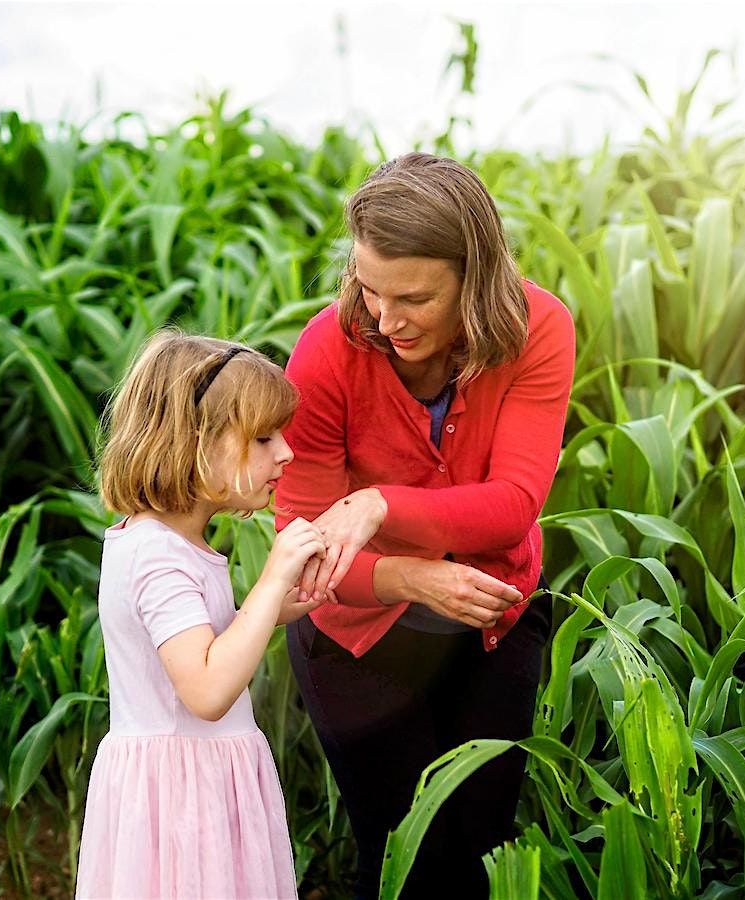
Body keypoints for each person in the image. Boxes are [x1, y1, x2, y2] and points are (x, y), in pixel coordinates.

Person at [276, 152, 575, 898]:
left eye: (413, 298)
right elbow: (304, 550)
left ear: (475, 280)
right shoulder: (326, 351)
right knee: (405, 858)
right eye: (368, 288)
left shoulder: (540, 328)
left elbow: (512, 504)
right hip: (357, 633)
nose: (384, 318)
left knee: (482, 856)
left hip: (488, 613)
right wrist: (409, 575)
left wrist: (380, 504)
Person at [77, 330, 328, 899]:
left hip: (195, 786)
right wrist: (272, 579)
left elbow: (194, 650)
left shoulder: (165, 545)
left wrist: (265, 612)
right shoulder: (158, 555)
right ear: (195, 443)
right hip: (182, 804)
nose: (285, 453)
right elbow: (207, 691)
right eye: (262, 438)